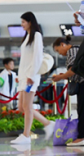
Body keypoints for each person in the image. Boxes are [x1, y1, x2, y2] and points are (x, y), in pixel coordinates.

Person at [11, 12, 54, 145]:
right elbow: (25, 60)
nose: (22, 24)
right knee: (21, 106)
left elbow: (37, 57)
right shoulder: (28, 36)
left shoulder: (36, 35)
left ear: (30, 22)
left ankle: (26, 135)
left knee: (27, 106)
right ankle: (47, 124)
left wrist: (30, 75)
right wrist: (20, 76)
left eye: (23, 22)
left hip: (31, 77)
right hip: (24, 77)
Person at [52, 37, 84, 147]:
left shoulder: (72, 51)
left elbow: (73, 71)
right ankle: (83, 136)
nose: (59, 53)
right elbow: (75, 72)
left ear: (62, 45)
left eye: (57, 50)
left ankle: (81, 138)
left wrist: (60, 77)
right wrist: (63, 76)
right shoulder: (76, 50)